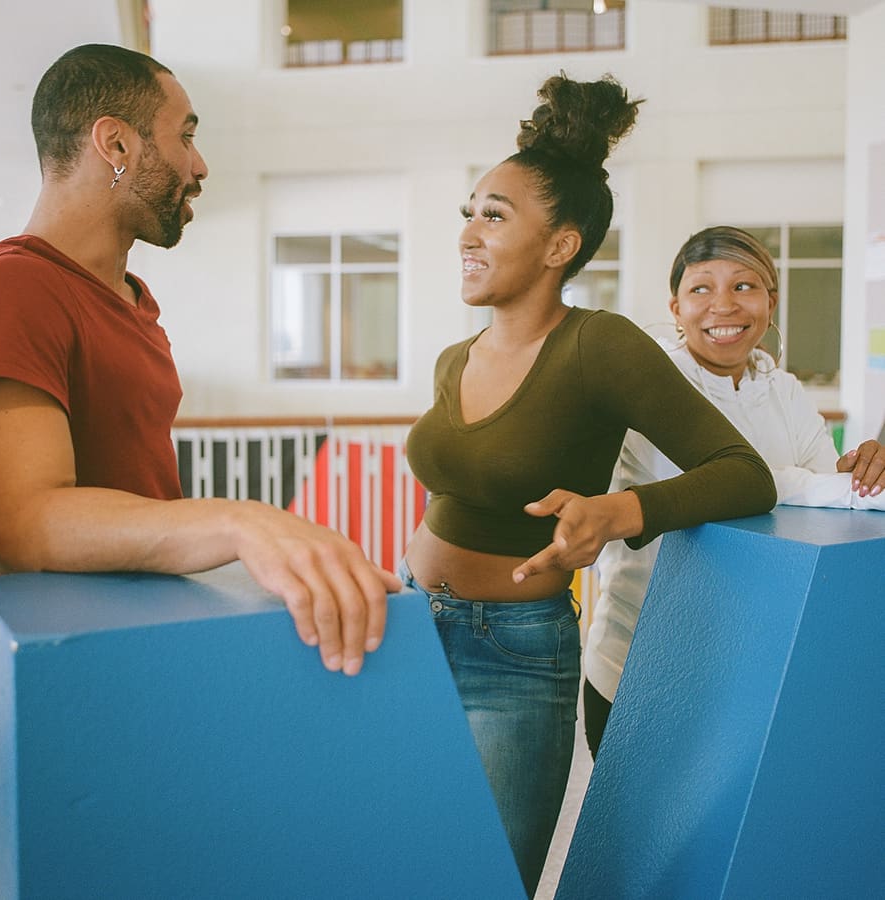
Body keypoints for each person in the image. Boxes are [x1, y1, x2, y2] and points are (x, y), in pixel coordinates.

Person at [399, 74, 777, 897]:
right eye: (468, 210)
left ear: (560, 245)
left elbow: (742, 474)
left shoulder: (598, 346)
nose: (468, 230)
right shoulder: (454, 360)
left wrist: (619, 512)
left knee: (486, 880)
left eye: (493, 214)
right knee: (408, 862)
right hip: (409, 633)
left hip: (513, 654)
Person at [0, 43, 401, 675]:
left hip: (140, 642)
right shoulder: (14, 286)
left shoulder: (133, 301)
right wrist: (240, 523)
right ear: (116, 146)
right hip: (61, 666)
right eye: (185, 136)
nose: (199, 165)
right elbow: (24, 526)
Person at [583, 225, 885, 758]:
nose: (724, 305)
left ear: (771, 303)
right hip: (641, 662)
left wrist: (861, 476)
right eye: (701, 289)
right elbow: (734, 488)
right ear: (675, 307)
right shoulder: (650, 385)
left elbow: (824, 506)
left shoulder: (784, 389)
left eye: (744, 287)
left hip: (755, 664)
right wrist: (827, 489)